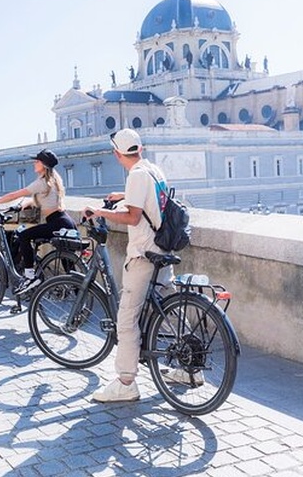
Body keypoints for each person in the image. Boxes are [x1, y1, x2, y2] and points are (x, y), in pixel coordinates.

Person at [82, 128, 177, 403]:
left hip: (144, 255)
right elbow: (149, 203)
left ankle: (125, 382)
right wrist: (120, 196)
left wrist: (99, 211)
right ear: (140, 149)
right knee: (170, 311)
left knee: (126, 321)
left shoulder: (135, 175)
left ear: (116, 154)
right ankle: (187, 369)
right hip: (164, 248)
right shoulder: (153, 171)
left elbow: (134, 217)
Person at [0, 149, 77, 307]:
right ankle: (82, 301)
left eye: (36, 161)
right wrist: (22, 205)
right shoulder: (53, 180)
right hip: (65, 221)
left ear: (43, 165)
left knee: (24, 235)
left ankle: (30, 276)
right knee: (69, 265)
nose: (34, 163)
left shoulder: (42, 182)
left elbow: (16, 194)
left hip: (56, 223)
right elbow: (37, 200)